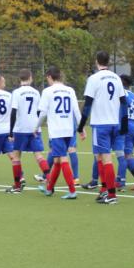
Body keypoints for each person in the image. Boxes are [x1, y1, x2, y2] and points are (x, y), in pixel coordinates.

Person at [77, 51, 128, 205]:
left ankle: (112, 195)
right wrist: (124, 124)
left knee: (105, 158)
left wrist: (80, 126)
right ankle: (104, 190)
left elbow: (87, 105)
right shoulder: (116, 78)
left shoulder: (93, 79)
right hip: (114, 123)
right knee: (99, 157)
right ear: (108, 61)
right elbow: (124, 102)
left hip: (100, 125)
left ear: (96, 61)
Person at [35, 66, 84, 199]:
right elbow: (76, 111)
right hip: (69, 129)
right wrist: (81, 128)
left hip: (56, 130)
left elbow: (43, 113)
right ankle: (50, 189)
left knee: (62, 158)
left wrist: (36, 127)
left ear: (50, 77)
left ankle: (72, 191)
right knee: (56, 160)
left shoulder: (48, 91)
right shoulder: (70, 90)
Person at [9, 69, 51, 183]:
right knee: (38, 155)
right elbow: (39, 111)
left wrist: (10, 132)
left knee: (16, 156)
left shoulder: (16, 92)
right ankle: (49, 178)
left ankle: (17, 185)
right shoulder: (36, 92)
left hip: (20, 128)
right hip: (34, 128)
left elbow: (13, 112)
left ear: (20, 79)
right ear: (30, 78)